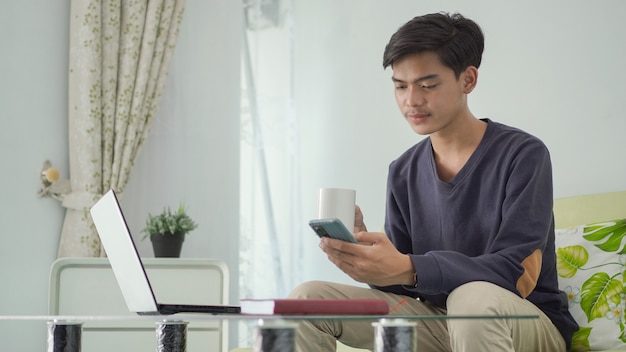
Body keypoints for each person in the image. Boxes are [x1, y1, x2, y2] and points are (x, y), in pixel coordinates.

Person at [288, 12, 578, 352]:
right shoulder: (403, 170)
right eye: (400, 86)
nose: (411, 100)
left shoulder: (523, 154)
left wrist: (410, 267)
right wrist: (370, 262)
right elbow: (403, 288)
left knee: (472, 299)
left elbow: (517, 274)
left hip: (523, 322)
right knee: (305, 299)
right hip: (436, 321)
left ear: (468, 80)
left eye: (427, 85)